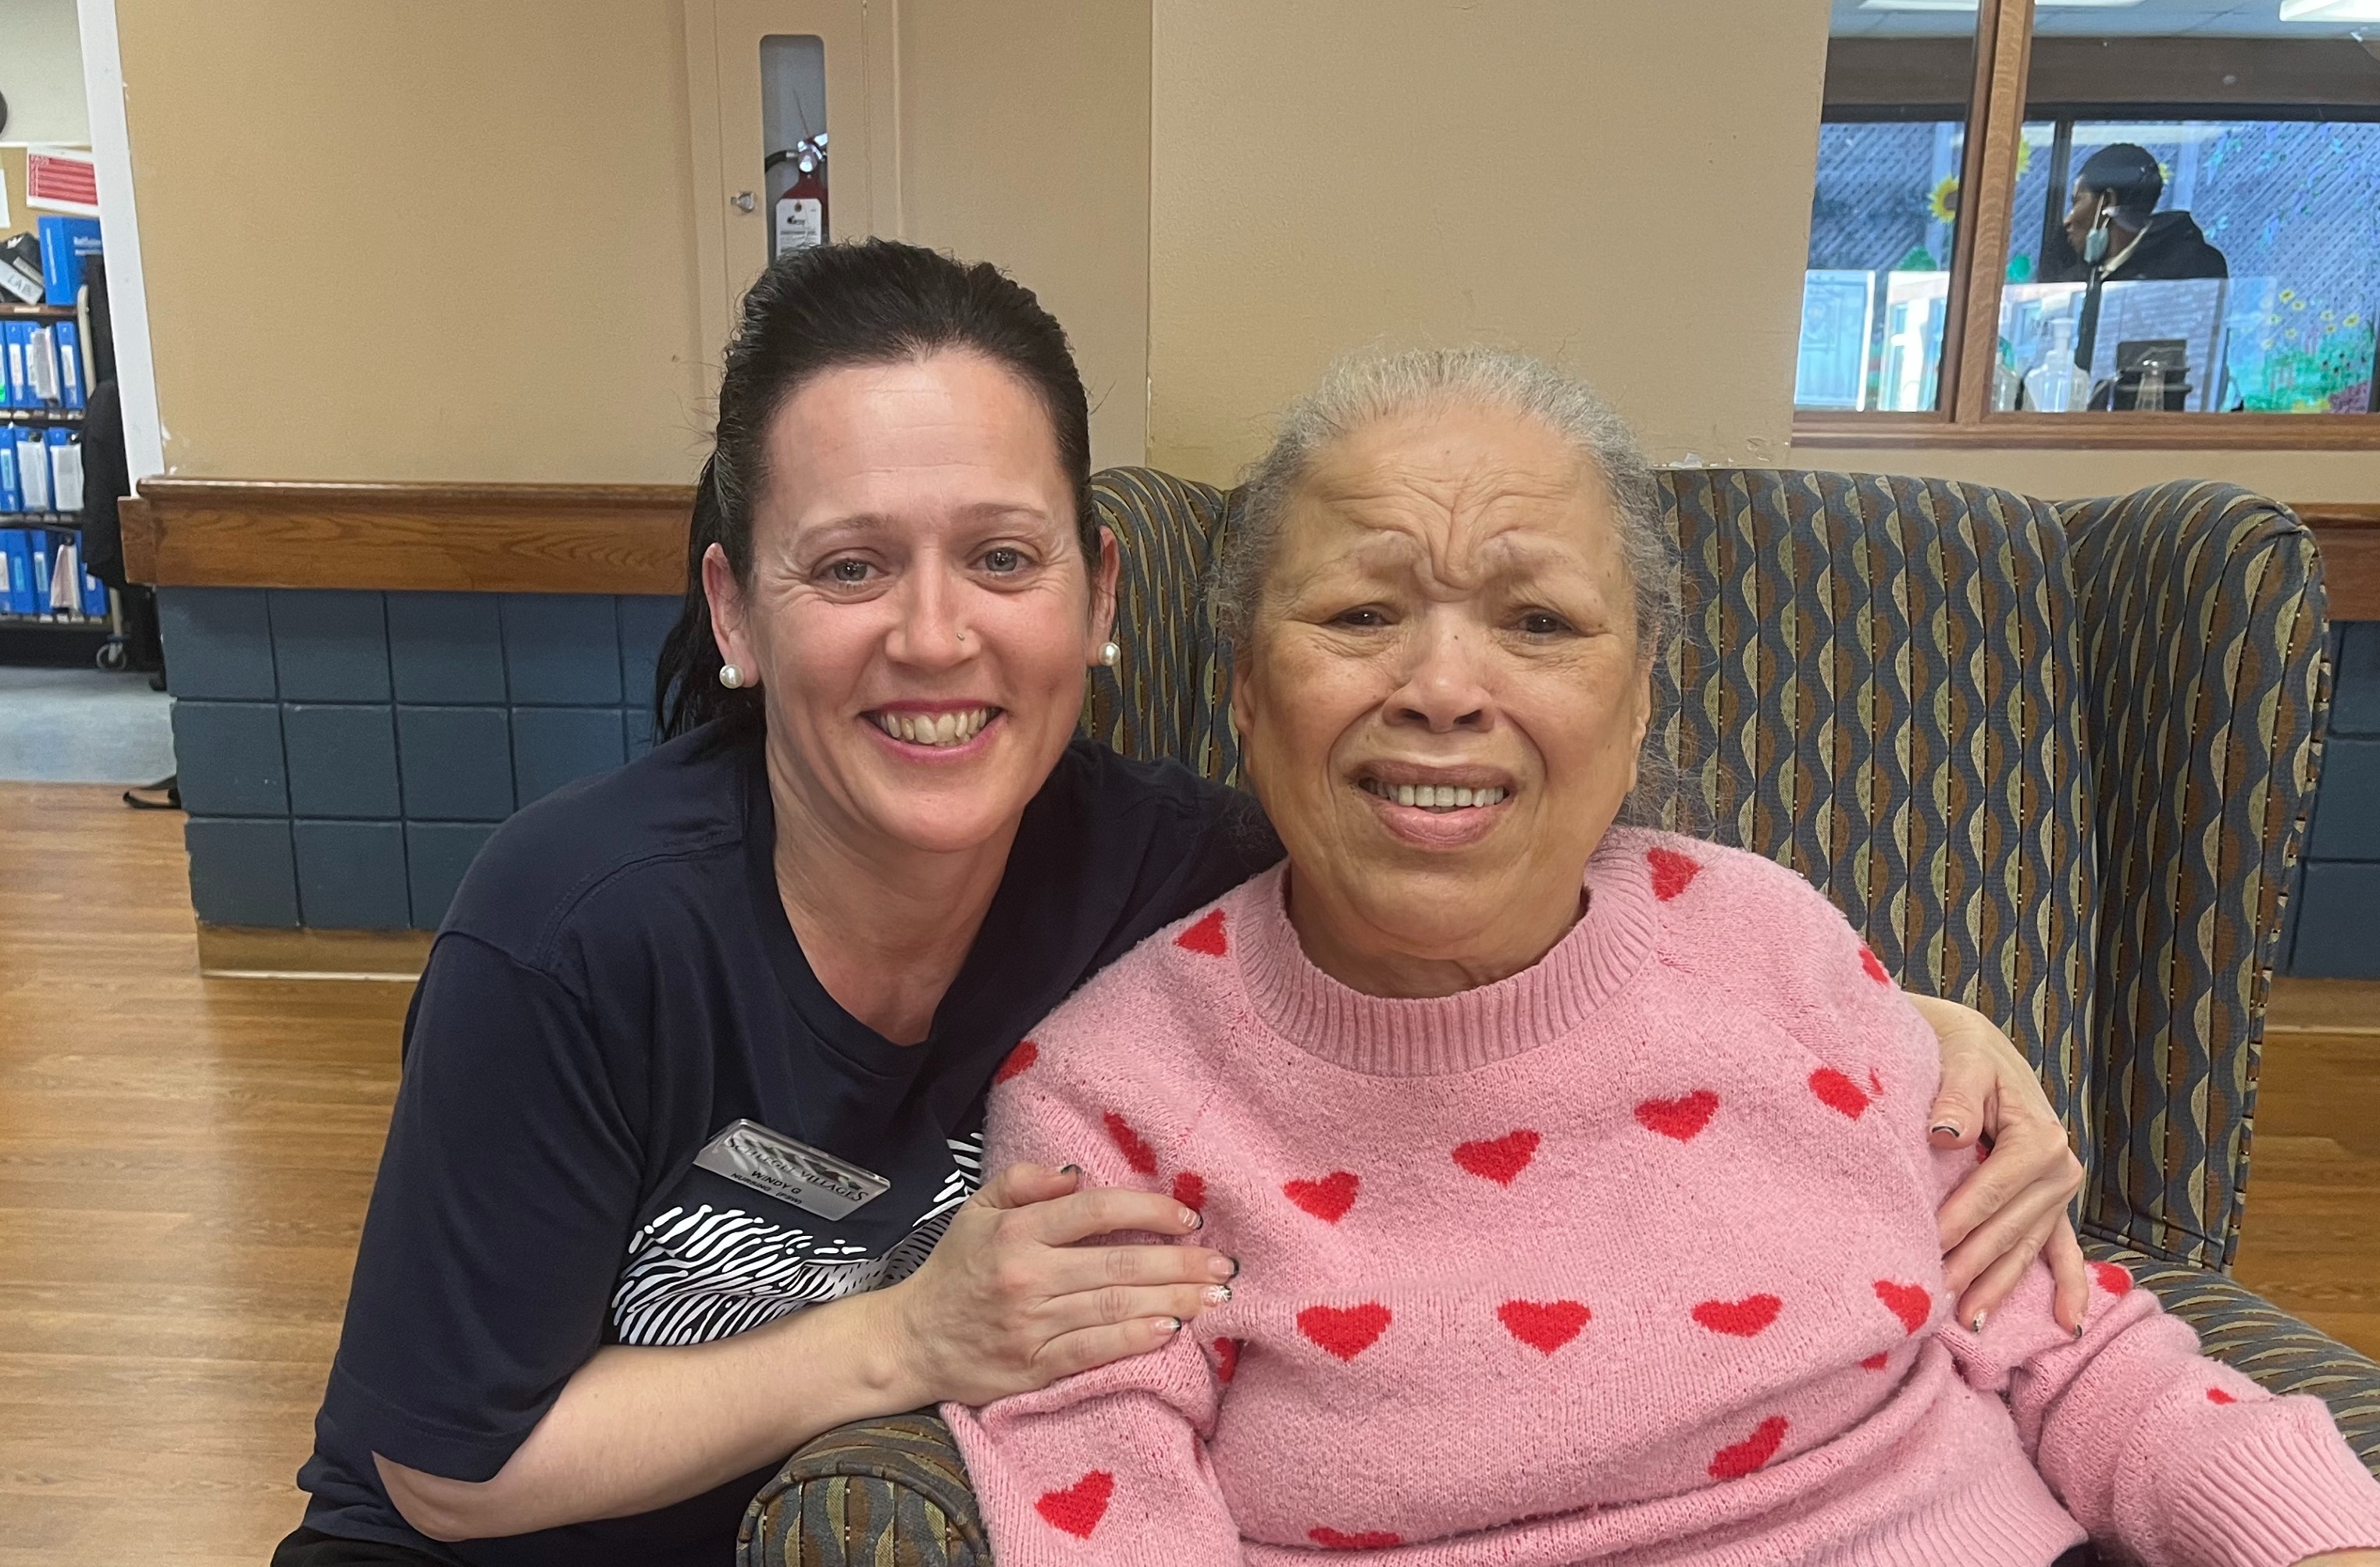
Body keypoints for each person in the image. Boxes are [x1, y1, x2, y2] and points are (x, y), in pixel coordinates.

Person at [276, 244, 2090, 1567]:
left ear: (1100, 593)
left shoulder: (1180, 870)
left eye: (1000, 556)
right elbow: (447, 1465)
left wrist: (1908, 1028)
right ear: (737, 616)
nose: (934, 633)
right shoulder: (581, 923)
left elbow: (1522, 906)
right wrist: (912, 1333)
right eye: (847, 568)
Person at [946, 348, 2380, 1565]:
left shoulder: (1775, 942)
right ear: (1250, 693)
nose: (1443, 689)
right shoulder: (1110, 1097)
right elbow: (1105, 1509)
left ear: (1635, 706)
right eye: (1360, 613)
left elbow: (2065, 1340)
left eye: (1539, 622)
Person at [2044, 142, 2228, 285]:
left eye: (2077, 202)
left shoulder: (2192, 268)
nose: (2067, 220)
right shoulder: (2078, 276)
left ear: (2107, 201)